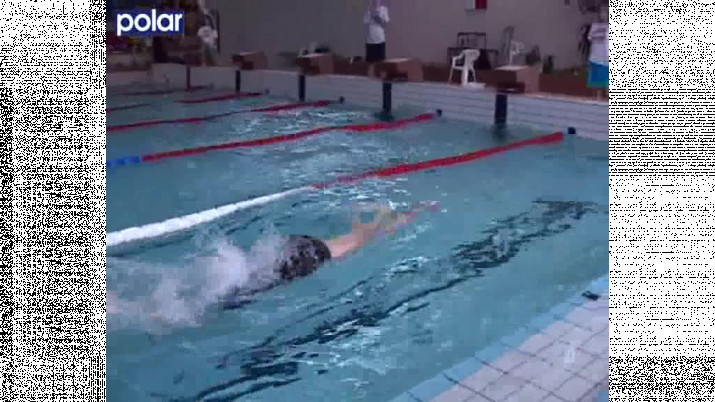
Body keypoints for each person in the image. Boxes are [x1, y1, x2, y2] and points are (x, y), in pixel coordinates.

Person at [587, 6, 609, 100]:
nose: (602, 15)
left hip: (606, 59)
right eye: (600, 13)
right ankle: (597, 99)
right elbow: (591, 41)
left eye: (604, 13)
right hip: (595, 58)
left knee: (607, 84)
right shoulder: (594, 26)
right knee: (597, 84)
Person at [364, 0, 389, 73]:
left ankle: (380, 76)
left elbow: (386, 23)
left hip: (380, 40)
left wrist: (379, 18)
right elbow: (365, 22)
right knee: (370, 62)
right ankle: (370, 76)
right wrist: (370, 12)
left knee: (381, 61)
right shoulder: (368, 9)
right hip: (370, 40)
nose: (376, 1)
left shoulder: (384, 9)